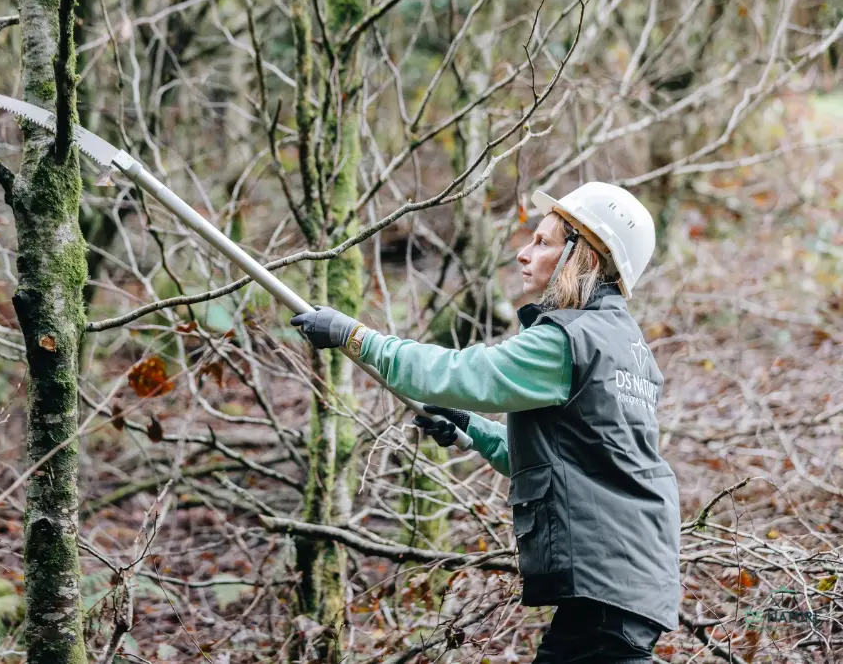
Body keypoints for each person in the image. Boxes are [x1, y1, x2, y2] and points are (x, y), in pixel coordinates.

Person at [291, 182, 681, 663]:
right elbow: (578, 461)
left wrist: (357, 338)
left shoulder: (568, 340)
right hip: (628, 576)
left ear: (586, 257)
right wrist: (471, 430)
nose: (523, 254)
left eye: (543, 242)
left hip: (609, 579)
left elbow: (459, 374)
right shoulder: (624, 344)